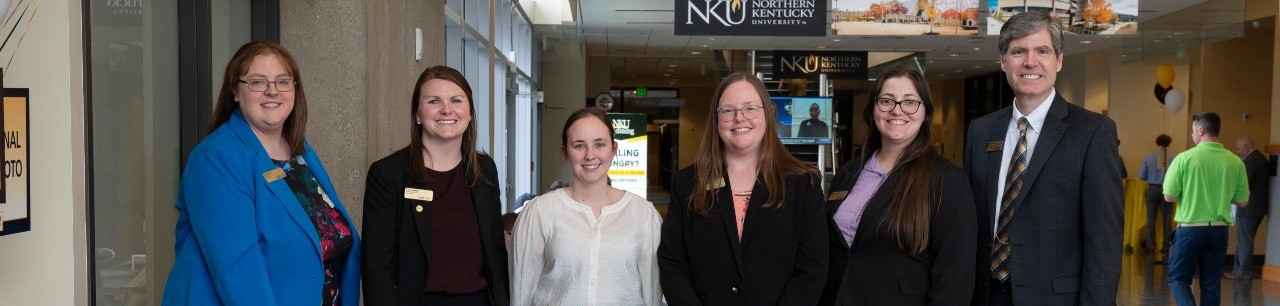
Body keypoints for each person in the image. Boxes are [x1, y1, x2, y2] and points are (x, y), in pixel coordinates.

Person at [161, 41, 361, 306]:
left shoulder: (300, 152)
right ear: (235, 90)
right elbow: (239, 270)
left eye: (282, 81)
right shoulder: (216, 159)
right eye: (257, 82)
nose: (272, 91)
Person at [962, 11, 1124, 306]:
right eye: (1018, 51)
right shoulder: (981, 132)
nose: (1030, 62)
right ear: (1003, 61)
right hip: (986, 296)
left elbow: (1104, 242)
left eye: (1042, 51)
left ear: (1059, 60)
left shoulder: (1093, 132)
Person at [659, 72, 828, 306]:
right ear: (716, 119)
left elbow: (812, 269)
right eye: (728, 110)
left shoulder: (803, 184)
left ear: (767, 114)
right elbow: (672, 262)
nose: (739, 118)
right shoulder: (687, 182)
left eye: (750, 108)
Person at [820, 65, 976, 305]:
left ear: (925, 112)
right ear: (873, 109)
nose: (897, 110)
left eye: (910, 102)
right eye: (887, 101)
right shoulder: (848, 173)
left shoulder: (947, 179)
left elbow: (956, 275)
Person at [362, 65, 509, 306]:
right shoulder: (389, 174)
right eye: (434, 101)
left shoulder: (484, 170)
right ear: (418, 114)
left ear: (470, 112)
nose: (446, 109)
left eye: (456, 100)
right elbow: (377, 267)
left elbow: (494, 256)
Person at [509, 107, 664, 306]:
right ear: (564, 152)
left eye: (599, 144)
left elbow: (652, 293)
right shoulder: (540, 212)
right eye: (579, 146)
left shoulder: (643, 214)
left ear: (614, 149)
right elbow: (522, 292)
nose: (590, 155)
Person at [1162, 111, 1250, 305]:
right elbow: (1243, 201)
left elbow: (1169, 196)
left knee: (1178, 278)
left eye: (1193, 130)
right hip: (1219, 230)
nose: (1192, 134)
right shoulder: (1235, 161)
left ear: (1200, 130)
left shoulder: (1184, 159)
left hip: (1190, 230)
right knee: (1211, 282)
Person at [1225, 136, 1269, 280]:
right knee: (1247, 238)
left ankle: (1241, 270)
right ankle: (1241, 269)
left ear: (1246, 146)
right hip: (1259, 207)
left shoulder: (1250, 161)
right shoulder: (1261, 158)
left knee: (1244, 239)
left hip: (1248, 208)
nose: (1237, 152)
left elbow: (1244, 185)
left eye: (1238, 148)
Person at [1138, 134, 1175, 254]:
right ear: (1169, 144)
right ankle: (1166, 245)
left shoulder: (1148, 158)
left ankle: (1150, 245)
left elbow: (1141, 176)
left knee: (1151, 218)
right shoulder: (1172, 159)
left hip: (1152, 189)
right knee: (1167, 218)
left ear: (1156, 143)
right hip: (1167, 190)